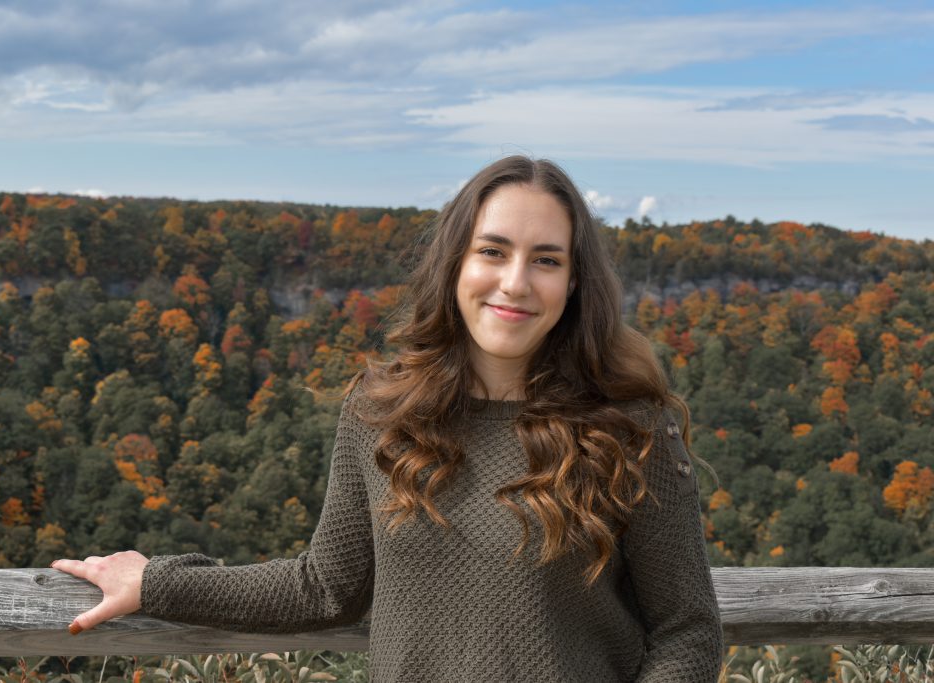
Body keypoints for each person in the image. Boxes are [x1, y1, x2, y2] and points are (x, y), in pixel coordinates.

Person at [51, 156, 723, 681]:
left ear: (574, 282)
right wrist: (158, 582)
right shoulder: (381, 413)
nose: (516, 282)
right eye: (493, 250)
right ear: (457, 261)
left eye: (546, 259)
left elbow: (689, 630)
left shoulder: (630, 428)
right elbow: (325, 587)